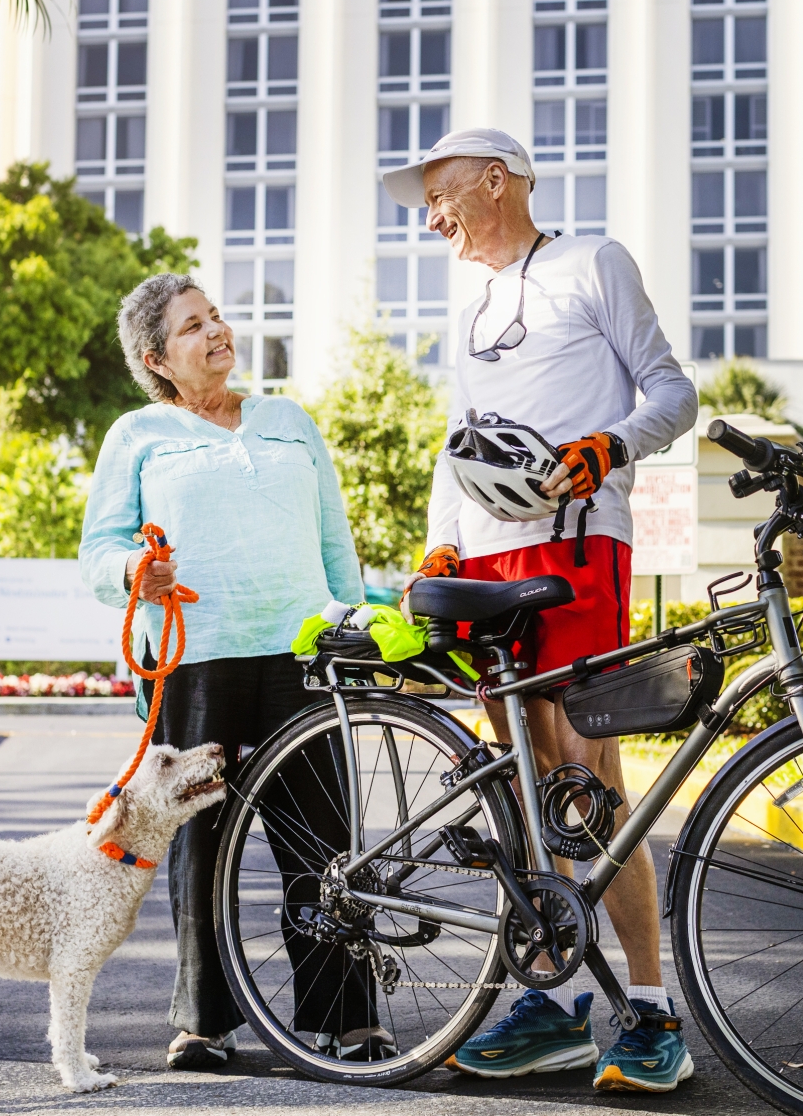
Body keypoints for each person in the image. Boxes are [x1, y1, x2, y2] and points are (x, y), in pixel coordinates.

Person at [384, 128, 699, 1094]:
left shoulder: (591, 261)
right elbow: (457, 444)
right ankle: (553, 1003)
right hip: (484, 562)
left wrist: (610, 445)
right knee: (521, 779)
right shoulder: (468, 298)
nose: (430, 217)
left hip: (576, 543)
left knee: (584, 774)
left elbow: (674, 394)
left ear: (496, 180)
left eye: (439, 196)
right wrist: (441, 540)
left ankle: (650, 1014)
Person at [79, 273, 388, 1070]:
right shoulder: (138, 435)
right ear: (157, 357)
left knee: (324, 840)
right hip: (195, 659)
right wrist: (130, 576)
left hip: (301, 652)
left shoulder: (288, 421)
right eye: (193, 326)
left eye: (215, 316)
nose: (216, 330)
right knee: (201, 845)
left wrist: (349, 631)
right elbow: (99, 550)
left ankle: (345, 1015)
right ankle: (203, 1021)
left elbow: (334, 542)